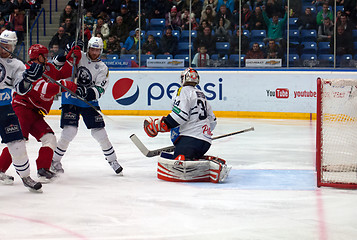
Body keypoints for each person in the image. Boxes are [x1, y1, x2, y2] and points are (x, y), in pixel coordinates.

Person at [0, 43, 78, 183]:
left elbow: (64, 72)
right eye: (44, 55)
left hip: (36, 113)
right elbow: (44, 89)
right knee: (17, 140)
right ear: (38, 56)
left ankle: (43, 170)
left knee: (49, 138)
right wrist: (64, 86)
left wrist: (73, 58)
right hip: (22, 108)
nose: (47, 58)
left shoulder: (48, 67)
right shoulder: (28, 69)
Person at [51, 37, 123, 175]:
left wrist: (85, 92)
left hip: (88, 101)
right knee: (69, 131)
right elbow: (57, 65)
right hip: (70, 98)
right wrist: (70, 50)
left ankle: (113, 160)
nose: (94, 52)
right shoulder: (78, 56)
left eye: (97, 50)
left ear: (101, 50)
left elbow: (100, 89)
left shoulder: (103, 68)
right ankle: (54, 161)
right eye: (92, 49)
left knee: (100, 132)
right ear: (88, 48)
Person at [143, 68, 229, 183]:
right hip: (205, 143)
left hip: (190, 141)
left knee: (178, 163)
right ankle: (201, 161)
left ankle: (202, 166)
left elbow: (180, 116)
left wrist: (160, 125)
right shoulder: (201, 94)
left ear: (183, 78)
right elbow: (212, 122)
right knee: (188, 156)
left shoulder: (182, 91)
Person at [0, 30, 42, 192]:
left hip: (5, 108)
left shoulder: (17, 65)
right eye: (2, 45)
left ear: (13, 46)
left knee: (17, 143)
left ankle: (25, 176)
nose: (4, 48)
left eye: (7, 46)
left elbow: (21, 89)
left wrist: (29, 79)